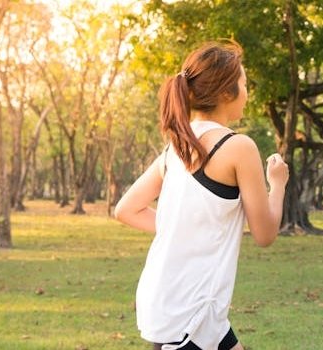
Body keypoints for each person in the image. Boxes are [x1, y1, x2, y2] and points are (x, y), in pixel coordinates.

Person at [114, 40, 289, 350]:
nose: (247, 93)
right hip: (191, 313)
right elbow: (264, 234)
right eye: (244, 84)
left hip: (170, 303)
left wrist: (184, 228)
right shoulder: (238, 147)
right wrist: (277, 185)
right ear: (226, 92)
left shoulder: (175, 147)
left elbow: (126, 209)